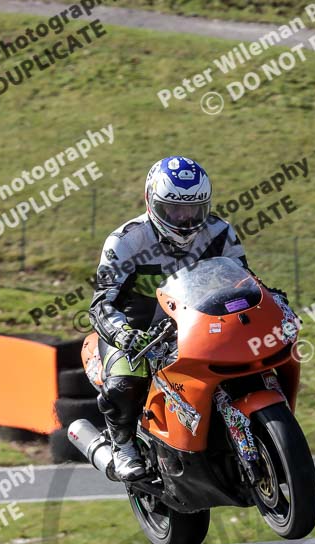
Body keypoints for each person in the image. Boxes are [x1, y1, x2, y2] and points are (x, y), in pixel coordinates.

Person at [89, 156, 252, 481]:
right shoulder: (125, 241)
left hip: (196, 324)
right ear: (151, 202)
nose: (184, 219)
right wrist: (123, 335)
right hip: (137, 332)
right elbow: (100, 303)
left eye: (194, 210)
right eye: (173, 209)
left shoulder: (220, 232)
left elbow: (244, 279)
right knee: (125, 381)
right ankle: (123, 445)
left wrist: (268, 298)